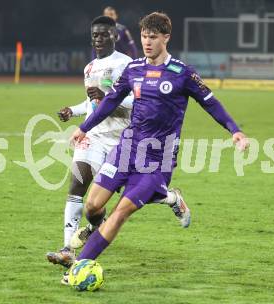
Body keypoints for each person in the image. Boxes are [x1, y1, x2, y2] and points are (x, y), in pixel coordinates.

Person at [67, 12, 249, 283]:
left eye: (153, 37)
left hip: (157, 158)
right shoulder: (134, 69)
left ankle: (79, 267)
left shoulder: (182, 73)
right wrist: (84, 127)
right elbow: (109, 102)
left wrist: (235, 130)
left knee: (120, 212)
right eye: (144, 36)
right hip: (127, 148)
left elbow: (210, 101)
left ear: (166, 37)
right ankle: (169, 198)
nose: (147, 42)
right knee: (93, 206)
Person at [46, 16, 190, 272]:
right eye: (95, 35)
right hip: (96, 138)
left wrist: (105, 98)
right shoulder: (89, 68)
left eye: (104, 35)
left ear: (115, 36)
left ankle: (170, 197)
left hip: (125, 141)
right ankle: (68, 248)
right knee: (79, 188)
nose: (98, 39)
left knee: (132, 196)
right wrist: (76, 112)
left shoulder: (128, 64)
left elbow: (139, 104)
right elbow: (94, 105)